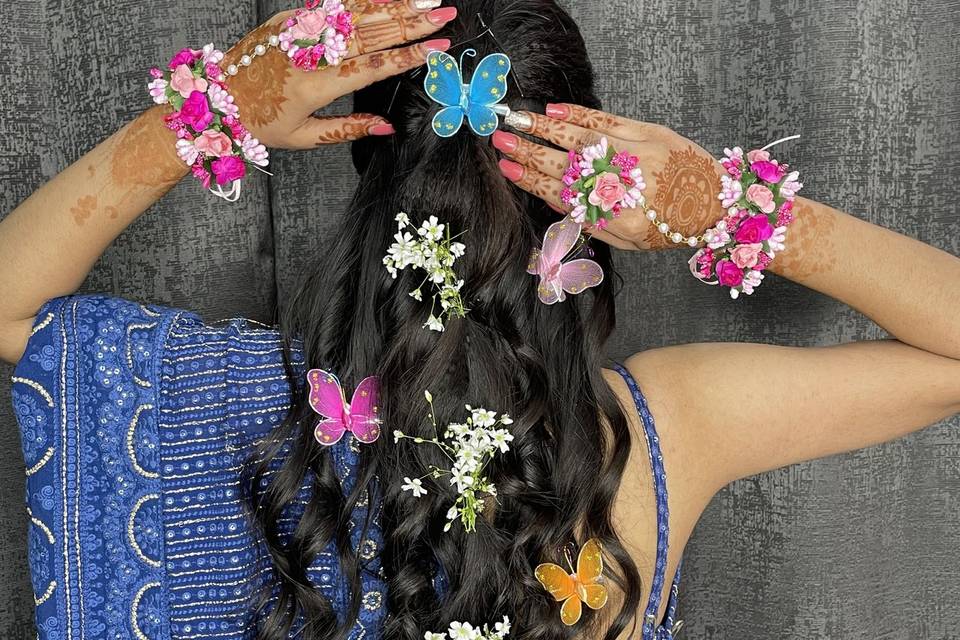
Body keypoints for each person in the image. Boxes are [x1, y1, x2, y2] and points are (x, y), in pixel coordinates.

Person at [1, 0, 958, 639]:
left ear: (369, 172)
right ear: (589, 196)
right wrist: (728, 210)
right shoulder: (659, 436)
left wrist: (205, 114)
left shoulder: (211, 401)